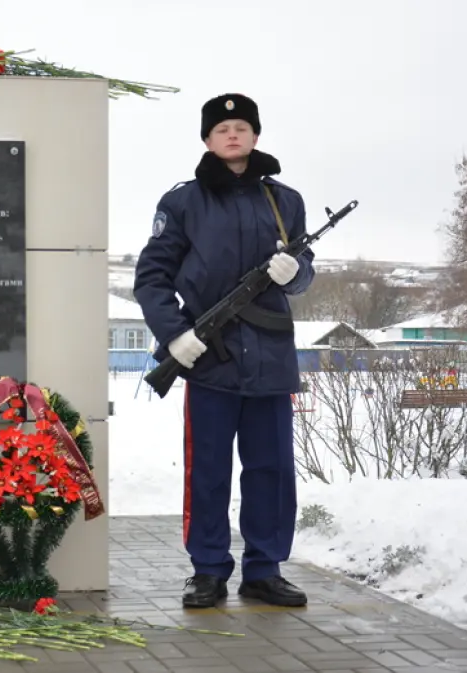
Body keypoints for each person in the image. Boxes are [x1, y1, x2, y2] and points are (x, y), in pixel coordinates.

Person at [133, 93, 314, 609]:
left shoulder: (286, 202)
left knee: (271, 470)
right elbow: (152, 278)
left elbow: (304, 270)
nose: (232, 135)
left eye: (241, 126)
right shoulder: (183, 202)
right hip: (209, 358)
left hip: (272, 360)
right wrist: (176, 335)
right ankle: (208, 570)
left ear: (255, 136)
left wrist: (295, 271)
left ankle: (264, 568)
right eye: (221, 128)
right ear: (207, 140)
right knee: (208, 469)